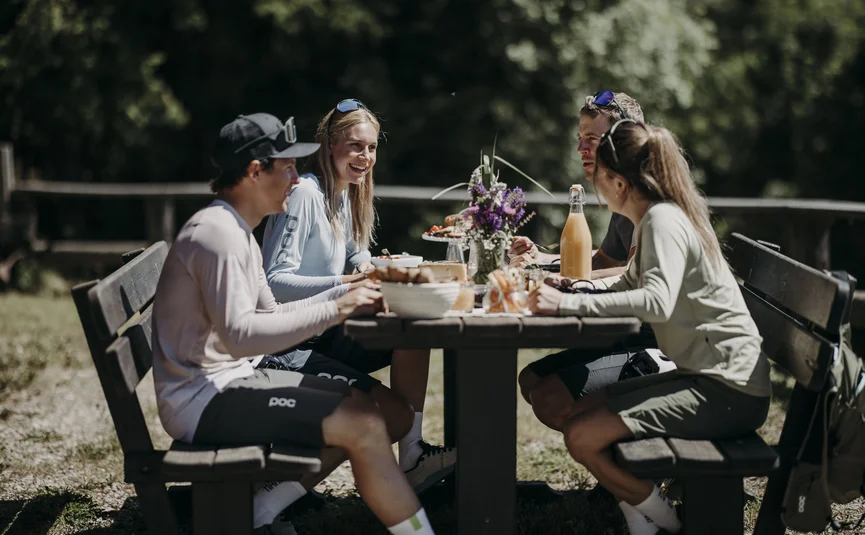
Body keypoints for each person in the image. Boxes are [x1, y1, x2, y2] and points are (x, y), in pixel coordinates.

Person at [151, 113, 436, 535]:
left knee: (365, 409)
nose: (296, 178)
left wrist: (348, 296)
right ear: (255, 172)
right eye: (287, 167)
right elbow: (241, 337)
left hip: (230, 380)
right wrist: (338, 307)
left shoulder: (237, 230)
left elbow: (270, 315)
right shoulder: (217, 236)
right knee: (362, 421)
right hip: (201, 400)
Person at [528, 119, 771, 535]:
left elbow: (657, 300)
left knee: (582, 436)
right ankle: (648, 520)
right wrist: (575, 289)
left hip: (729, 389)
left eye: (600, 177)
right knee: (578, 415)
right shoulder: (656, 218)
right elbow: (627, 285)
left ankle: (666, 524)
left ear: (618, 182)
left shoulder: (662, 221)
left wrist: (568, 304)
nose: (596, 186)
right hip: (707, 377)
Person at [259, 99, 454, 493]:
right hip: (286, 345)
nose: (365, 156)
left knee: (414, 332)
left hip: (323, 331)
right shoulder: (305, 194)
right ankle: (272, 496)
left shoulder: (343, 193)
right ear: (330, 144)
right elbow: (274, 282)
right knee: (391, 414)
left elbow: (353, 253)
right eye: (355, 146)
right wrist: (350, 283)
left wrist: (368, 266)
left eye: (371, 147)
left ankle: (413, 455)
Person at [510, 92, 674, 432]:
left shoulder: (653, 204)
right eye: (580, 138)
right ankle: (608, 451)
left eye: (592, 140)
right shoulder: (628, 198)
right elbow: (606, 262)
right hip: (638, 329)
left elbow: (636, 280)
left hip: (660, 342)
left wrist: (573, 293)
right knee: (532, 379)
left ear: (624, 141)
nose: (581, 149)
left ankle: (620, 455)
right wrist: (546, 261)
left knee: (550, 396)